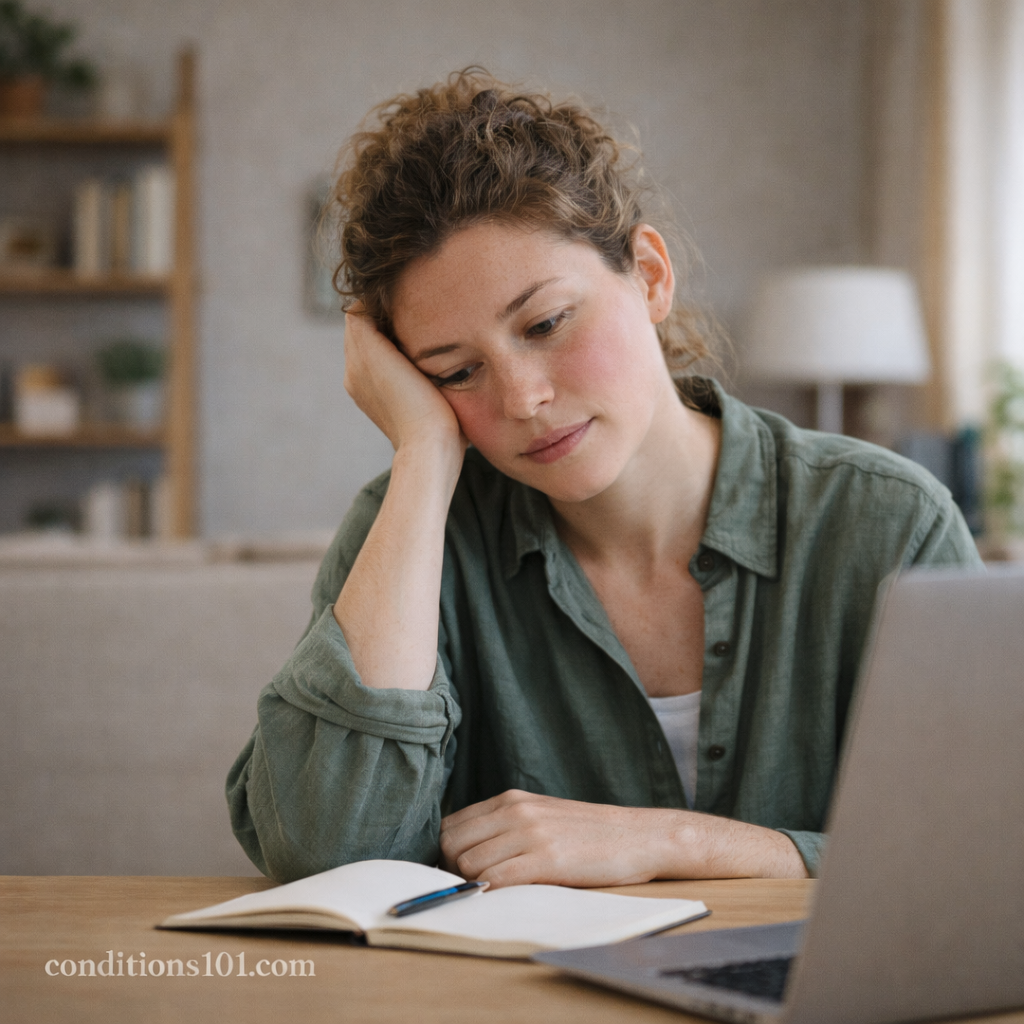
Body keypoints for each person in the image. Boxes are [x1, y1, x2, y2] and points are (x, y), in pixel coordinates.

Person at [227, 70, 981, 887]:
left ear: (650, 275)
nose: (523, 399)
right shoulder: (410, 530)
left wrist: (682, 844)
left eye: (547, 323)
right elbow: (324, 855)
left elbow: (986, 849)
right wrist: (423, 454)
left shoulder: (887, 522)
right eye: (456, 372)